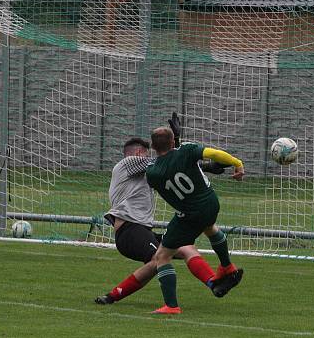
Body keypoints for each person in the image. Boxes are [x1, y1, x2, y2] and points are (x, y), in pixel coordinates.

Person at [94, 136, 224, 306]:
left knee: (187, 248)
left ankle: (214, 284)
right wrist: (183, 149)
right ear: (139, 152)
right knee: (158, 259)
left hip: (142, 231)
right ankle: (113, 295)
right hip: (129, 230)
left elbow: (172, 168)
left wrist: (204, 167)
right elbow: (166, 161)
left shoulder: (144, 174)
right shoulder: (128, 163)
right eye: (147, 153)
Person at [145, 126, 245, 314]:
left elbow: (169, 166)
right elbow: (214, 153)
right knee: (210, 228)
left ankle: (171, 306)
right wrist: (237, 163)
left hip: (189, 214)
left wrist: (176, 145)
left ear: (152, 146)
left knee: (162, 256)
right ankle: (227, 266)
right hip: (210, 203)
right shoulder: (187, 150)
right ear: (173, 141)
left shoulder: (152, 173)